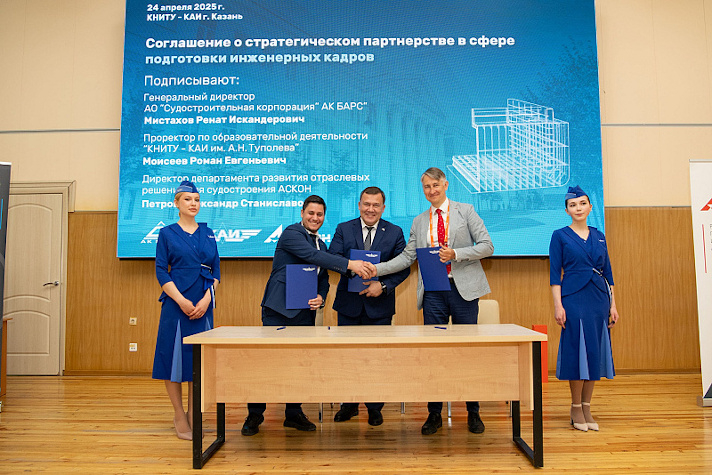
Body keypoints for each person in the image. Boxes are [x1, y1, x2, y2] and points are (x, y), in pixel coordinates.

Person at [368, 167, 494, 435]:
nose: (432, 190)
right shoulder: (418, 221)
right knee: (433, 353)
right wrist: (376, 269)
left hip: (463, 291)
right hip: (433, 292)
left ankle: (473, 412)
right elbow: (407, 258)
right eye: (427, 187)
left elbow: (487, 246)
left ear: (445, 185)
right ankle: (434, 413)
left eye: (436, 185)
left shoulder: (466, 211)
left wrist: (456, 253)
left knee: (467, 353)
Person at [241, 195, 372, 436]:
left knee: (298, 364)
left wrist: (321, 296)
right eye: (311, 213)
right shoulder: (292, 233)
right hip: (278, 310)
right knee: (267, 363)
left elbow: (323, 277)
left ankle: (293, 413)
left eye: (319, 214)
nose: (315, 218)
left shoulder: (321, 244)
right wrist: (351, 264)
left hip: (304, 312)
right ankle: (255, 414)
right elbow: (313, 257)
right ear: (302, 213)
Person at [328, 186, 410, 426]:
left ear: (383, 208)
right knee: (348, 358)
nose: (370, 209)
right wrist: (351, 265)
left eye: (376, 205)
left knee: (377, 358)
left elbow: (403, 267)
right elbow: (332, 259)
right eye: (366, 204)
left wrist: (382, 286)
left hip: (379, 306)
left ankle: (375, 407)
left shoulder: (394, 232)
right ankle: (349, 405)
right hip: (349, 305)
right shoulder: (344, 229)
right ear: (359, 205)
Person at [152, 180, 220, 441]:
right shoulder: (167, 233)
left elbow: (216, 271)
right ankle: (179, 414)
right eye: (188, 199)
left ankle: (194, 413)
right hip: (176, 303)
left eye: (197, 200)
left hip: (203, 303)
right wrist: (181, 300)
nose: (193, 204)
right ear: (176, 203)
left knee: (196, 361)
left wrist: (207, 300)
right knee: (172, 358)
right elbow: (161, 270)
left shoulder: (209, 233)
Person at [549, 185, 619, 432]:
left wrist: (613, 304)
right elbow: (555, 275)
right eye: (572, 205)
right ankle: (576, 407)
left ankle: (587, 406)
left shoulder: (599, 235)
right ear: (567, 210)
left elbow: (608, 273)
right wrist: (558, 305)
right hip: (573, 298)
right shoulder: (560, 236)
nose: (578, 208)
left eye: (582, 204)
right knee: (577, 351)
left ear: (590, 207)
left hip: (599, 298)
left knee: (594, 351)